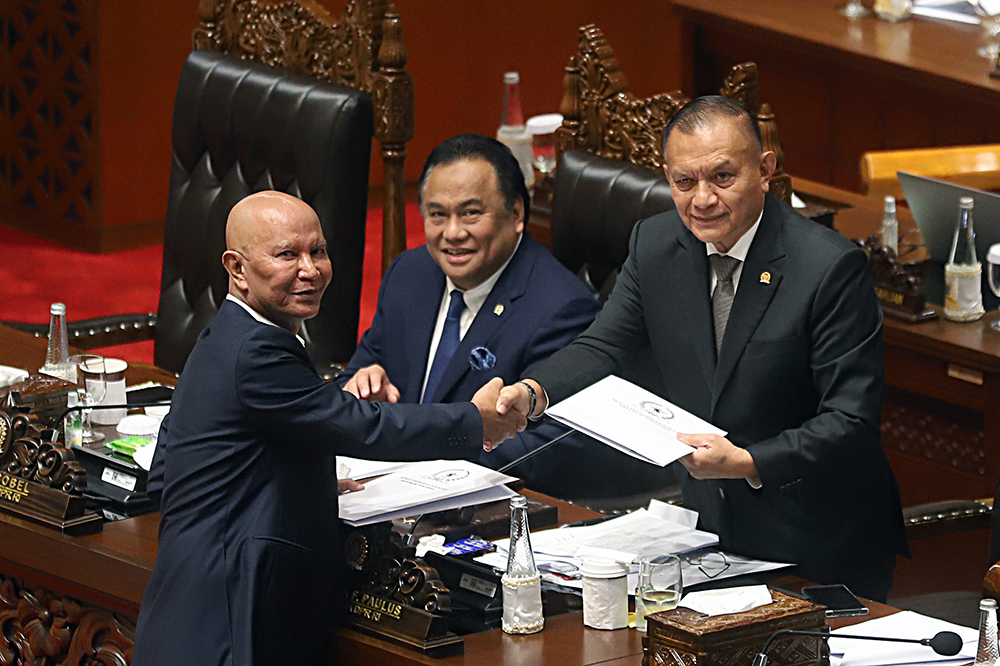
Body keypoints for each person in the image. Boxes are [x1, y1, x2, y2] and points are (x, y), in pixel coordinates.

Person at [497, 96, 909, 601]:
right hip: (710, 537)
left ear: (764, 169)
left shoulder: (828, 268)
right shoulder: (655, 243)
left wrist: (747, 461)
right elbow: (604, 347)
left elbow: (851, 421)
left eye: (722, 178)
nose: (703, 200)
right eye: (684, 182)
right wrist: (533, 391)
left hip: (819, 542)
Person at [132, 191, 523, 666]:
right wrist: (474, 419)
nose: (310, 269)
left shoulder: (221, 337)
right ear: (236, 268)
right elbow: (364, 427)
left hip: (185, 611)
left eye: (317, 251)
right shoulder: (256, 352)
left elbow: (166, 469)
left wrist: (290, 481)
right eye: (286, 255)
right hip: (233, 623)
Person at [337, 134, 600, 496]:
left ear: (517, 214)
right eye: (437, 215)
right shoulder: (409, 275)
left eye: (471, 213)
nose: (453, 233)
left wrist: (412, 446)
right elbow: (352, 379)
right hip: (384, 493)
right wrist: (362, 388)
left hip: (480, 509)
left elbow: (544, 447)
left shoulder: (560, 307)